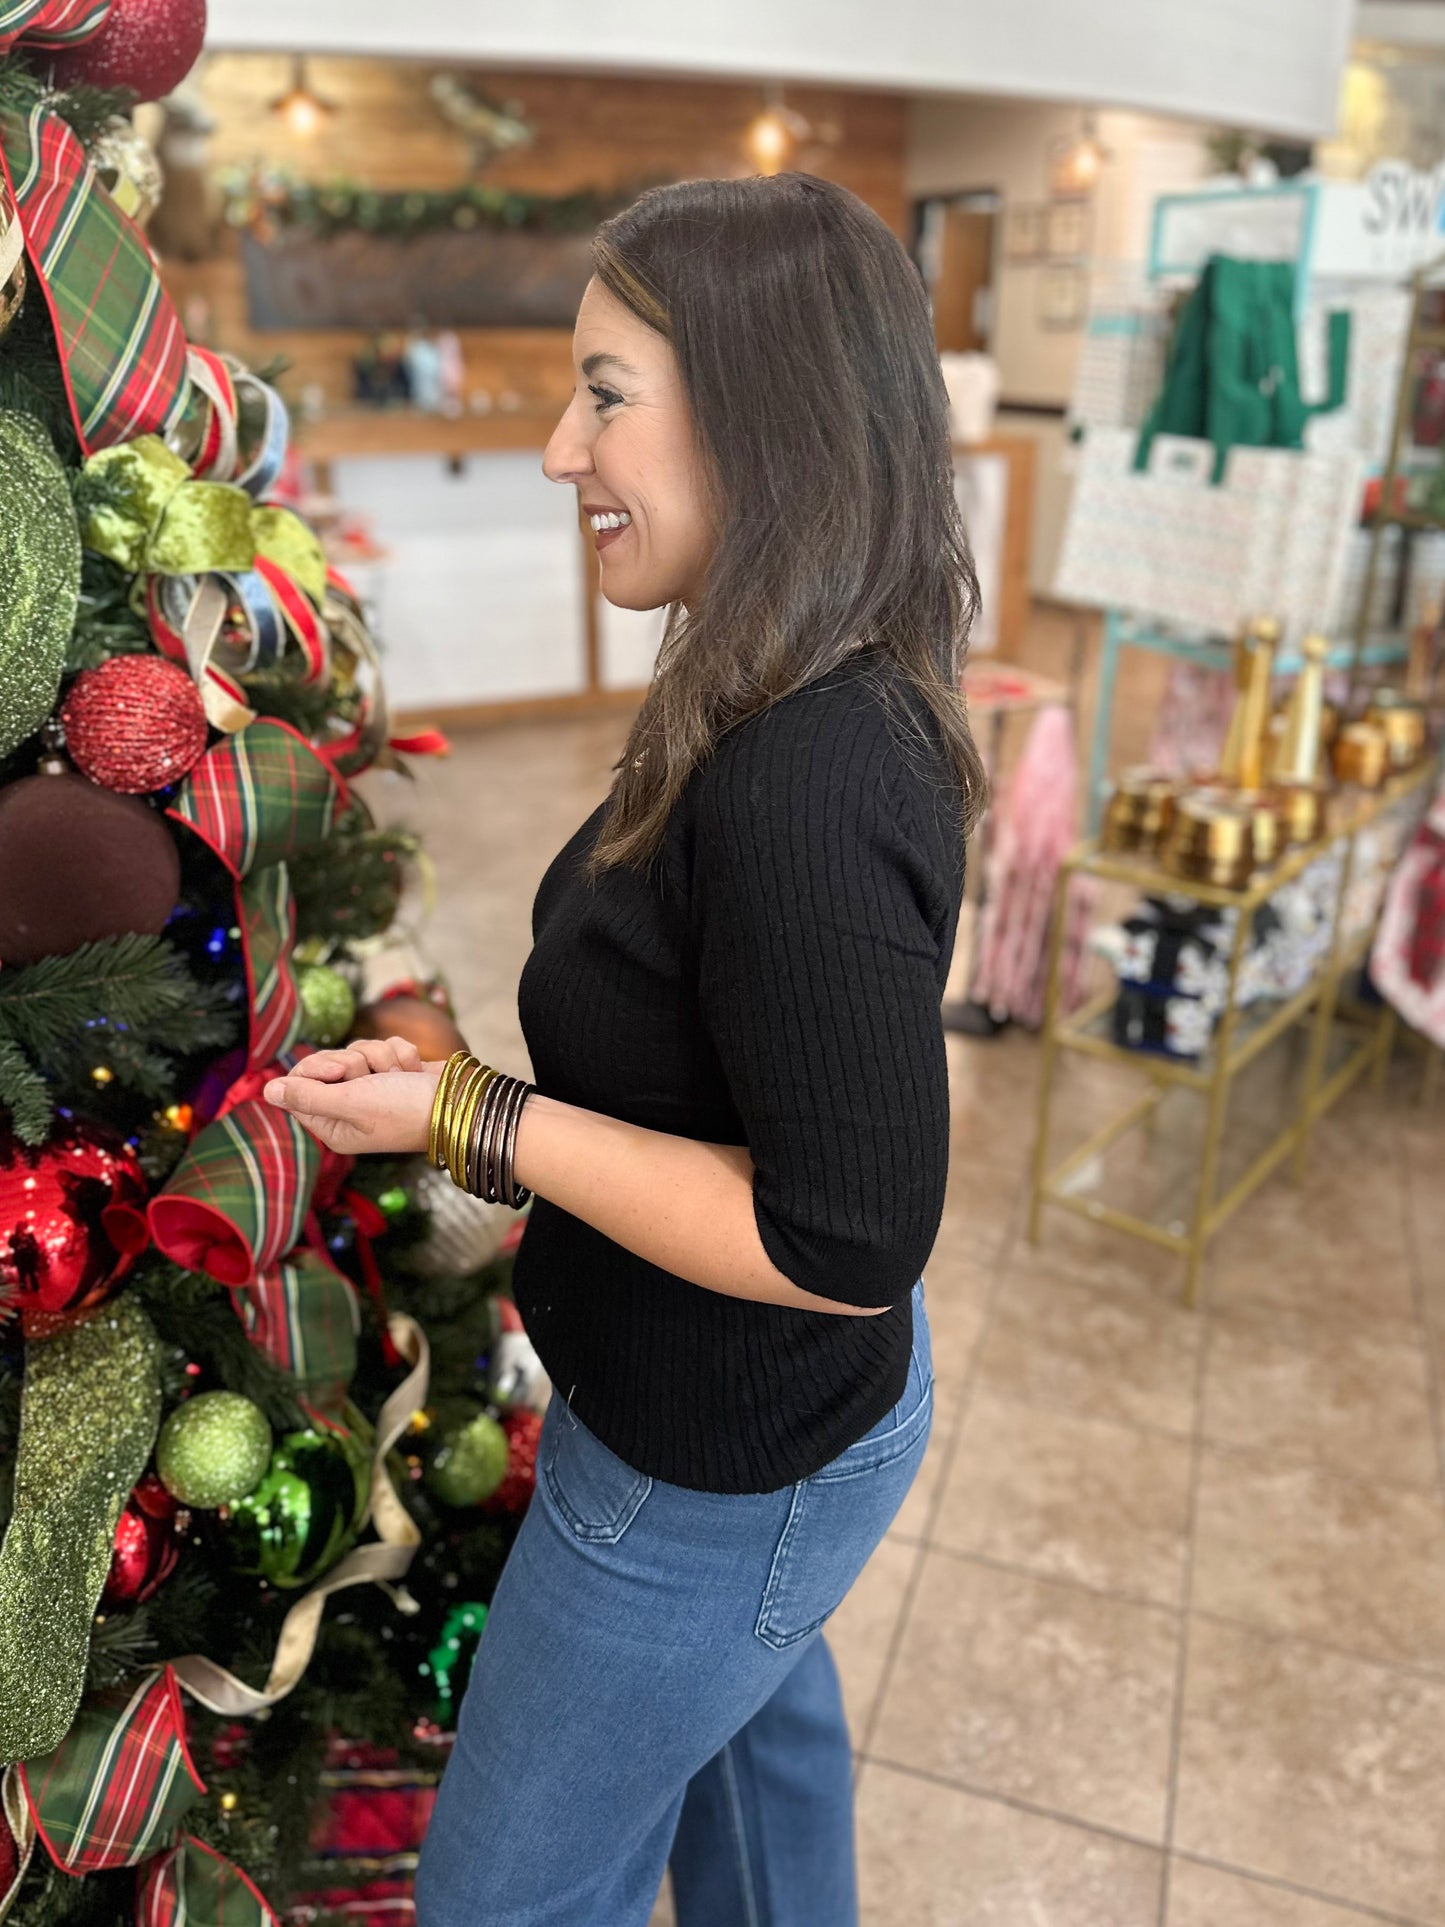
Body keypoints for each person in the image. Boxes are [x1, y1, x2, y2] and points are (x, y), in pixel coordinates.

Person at [263, 170, 985, 1927]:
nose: (555, 452)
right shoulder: (760, 669)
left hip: (712, 1469)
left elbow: (844, 1238)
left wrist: (465, 1113)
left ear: (766, 407)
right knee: (756, 1786)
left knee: (503, 1902)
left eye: (601, 393)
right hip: (748, 1430)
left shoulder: (811, 764)